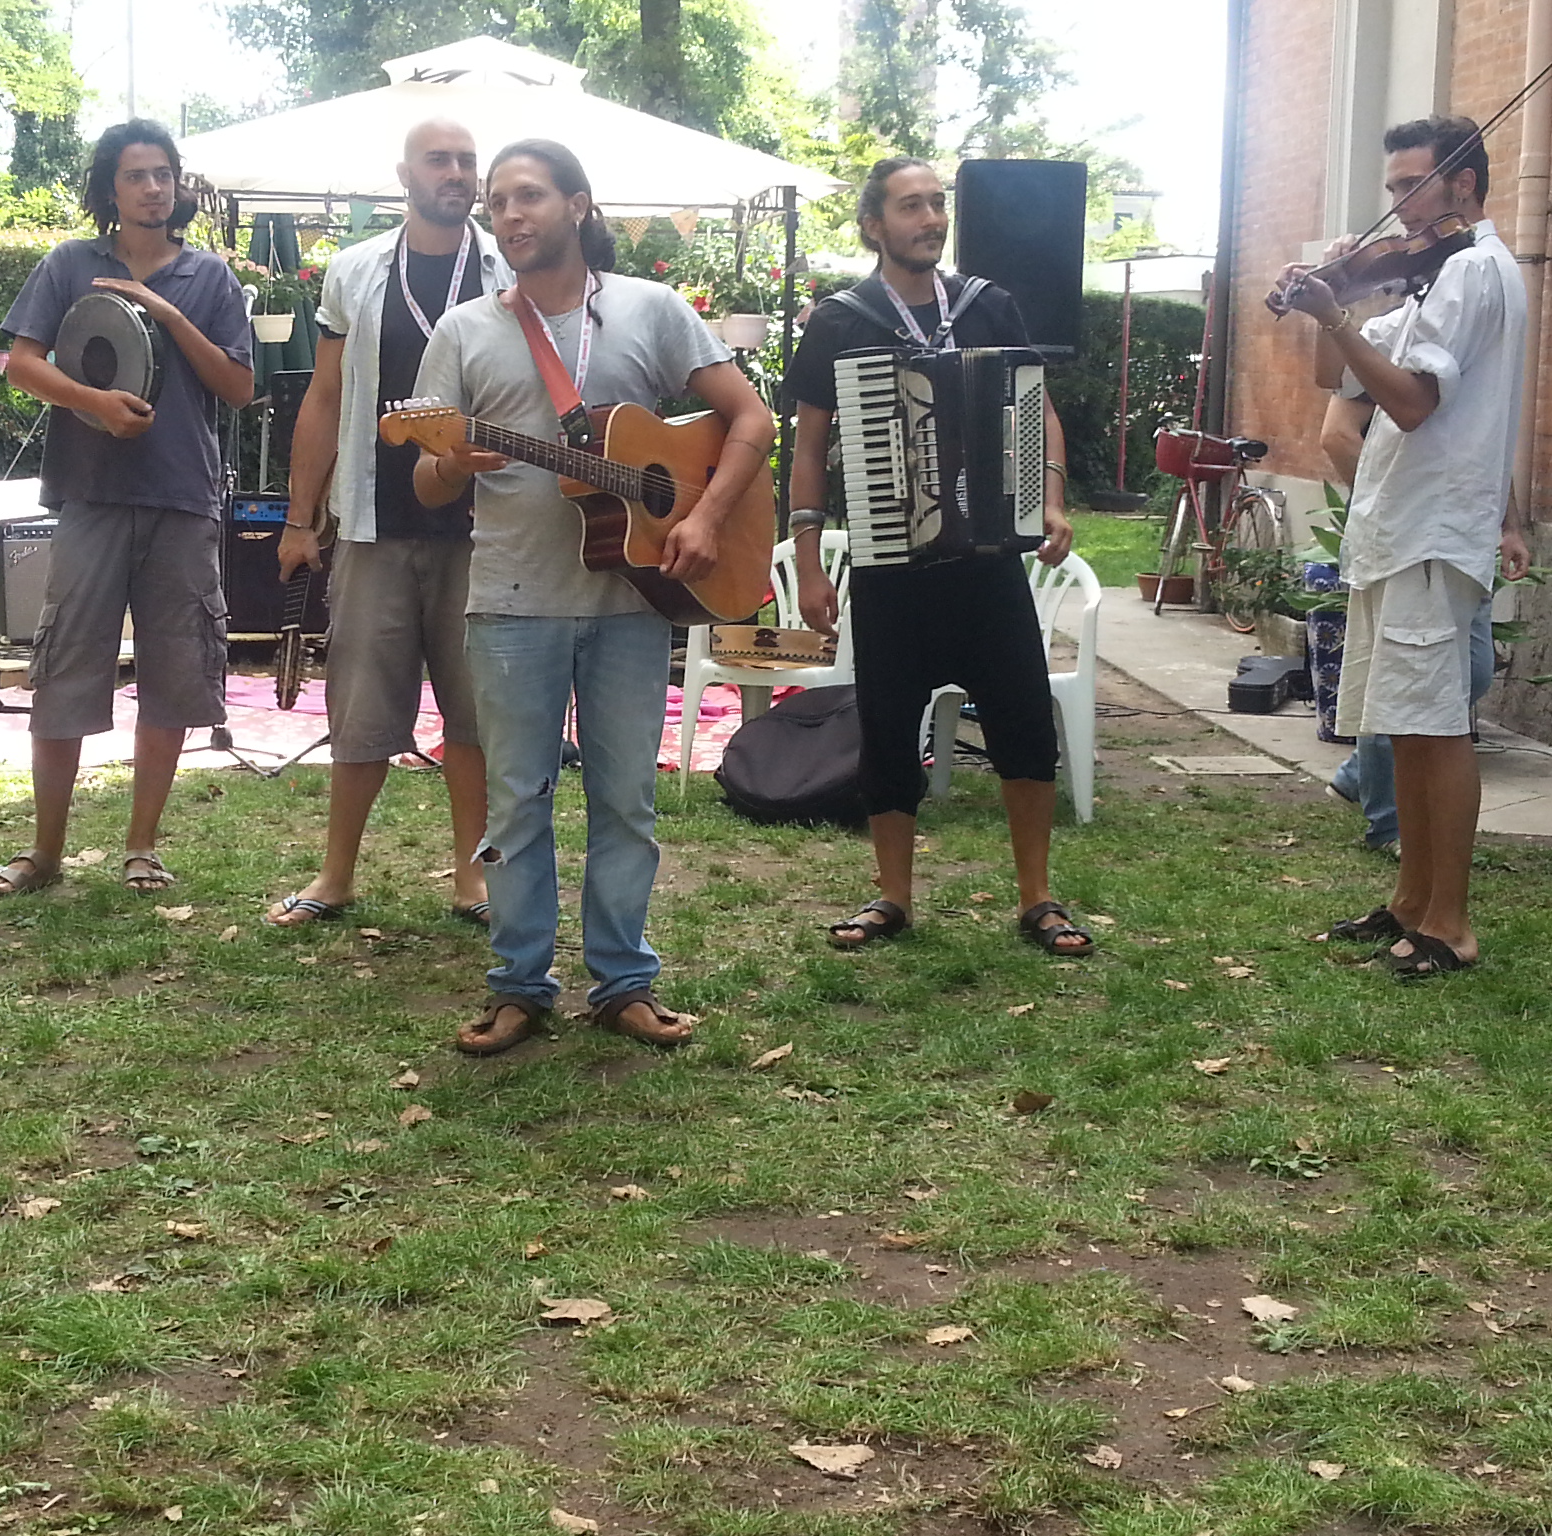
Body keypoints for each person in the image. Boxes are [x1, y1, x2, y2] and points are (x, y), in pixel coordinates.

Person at [410, 139, 774, 1054]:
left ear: (578, 205)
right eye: (498, 201)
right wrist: (450, 459)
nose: (511, 213)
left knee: (624, 802)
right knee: (517, 800)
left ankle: (624, 982)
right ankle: (518, 985)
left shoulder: (651, 310)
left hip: (636, 599)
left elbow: (752, 420)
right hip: (512, 598)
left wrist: (701, 517)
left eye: (529, 195)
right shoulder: (463, 331)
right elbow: (424, 481)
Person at [781, 155, 1089, 957]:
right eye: (910, 207)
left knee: (1024, 723)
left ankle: (1038, 897)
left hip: (987, 563)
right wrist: (811, 562)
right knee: (886, 731)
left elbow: (1038, 410)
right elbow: (809, 449)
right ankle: (893, 898)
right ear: (874, 225)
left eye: (936, 204)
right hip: (890, 566)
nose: (930, 219)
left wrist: (1050, 495)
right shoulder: (841, 321)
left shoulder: (991, 307)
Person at [1275, 115, 1527, 976]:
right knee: (1405, 729)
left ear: (1462, 183)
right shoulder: (1429, 277)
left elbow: (1413, 402)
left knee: (1436, 727)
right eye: (1390, 189)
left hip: (1433, 525)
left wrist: (1341, 316)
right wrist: (1331, 301)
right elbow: (1335, 376)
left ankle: (1448, 926)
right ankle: (1409, 904)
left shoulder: (1475, 273)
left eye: (1411, 185)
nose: (1398, 205)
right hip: (1397, 523)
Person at [0, 119, 257, 897]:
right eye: (137, 174)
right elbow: (23, 366)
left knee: (173, 674)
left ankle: (142, 846)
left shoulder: (210, 279)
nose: (154, 187)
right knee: (66, 669)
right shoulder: (71, 265)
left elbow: (238, 388)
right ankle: (45, 852)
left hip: (181, 498)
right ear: (111, 188)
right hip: (92, 496)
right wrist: (94, 403)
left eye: (164, 173)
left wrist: (167, 315)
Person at [268, 118, 507, 926]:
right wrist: (302, 520)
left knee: (474, 712)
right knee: (362, 709)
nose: (456, 172)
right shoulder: (357, 271)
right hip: (374, 522)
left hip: (487, 529)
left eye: (467, 160)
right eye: (439, 159)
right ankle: (336, 874)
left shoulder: (507, 267)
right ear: (402, 170)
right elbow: (325, 398)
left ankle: (472, 877)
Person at [1319, 388, 1523, 852]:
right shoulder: (1385, 341)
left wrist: (1509, 525)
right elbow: (1336, 435)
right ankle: (1389, 826)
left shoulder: (1482, 355)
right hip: (1407, 541)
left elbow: (1486, 450)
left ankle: (1357, 775)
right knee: (1399, 682)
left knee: (1471, 669)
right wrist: (1397, 506)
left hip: (1464, 540)